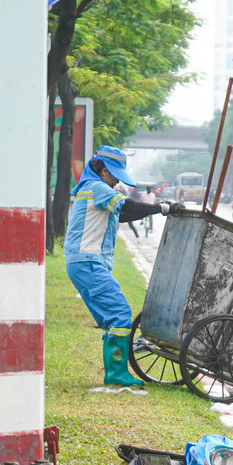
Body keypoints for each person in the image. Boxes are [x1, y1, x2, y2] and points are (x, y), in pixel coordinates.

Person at [64, 145, 182, 387]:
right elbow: (127, 206)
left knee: (112, 317)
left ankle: (115, 372)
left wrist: (158, 211)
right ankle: (116, 374)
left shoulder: (91, 189)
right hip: (88, 261)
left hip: (83, 262)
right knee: (119, 314)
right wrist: (162, 208)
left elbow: (121, 215)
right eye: (115, 174)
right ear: (104, 170)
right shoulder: (97, 187)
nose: (117, 180)